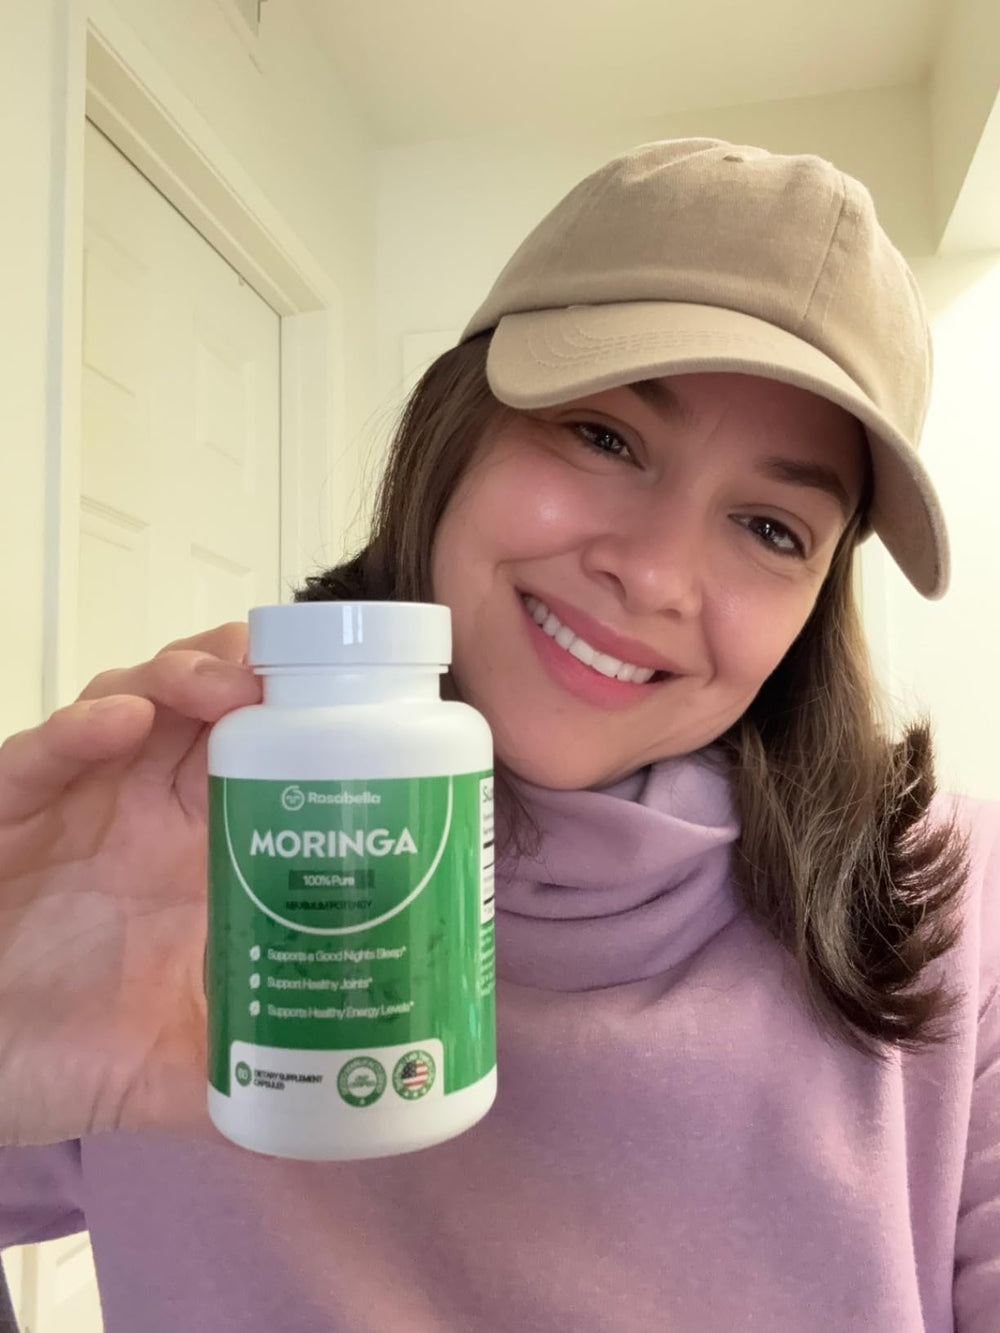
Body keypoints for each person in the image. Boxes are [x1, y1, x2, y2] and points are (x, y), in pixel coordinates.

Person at [0, 138, 997, 1332]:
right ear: (455, 429)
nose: (654, 574)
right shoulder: (182, 842)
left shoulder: (956, 907)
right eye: (605, 437)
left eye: (771, 528)